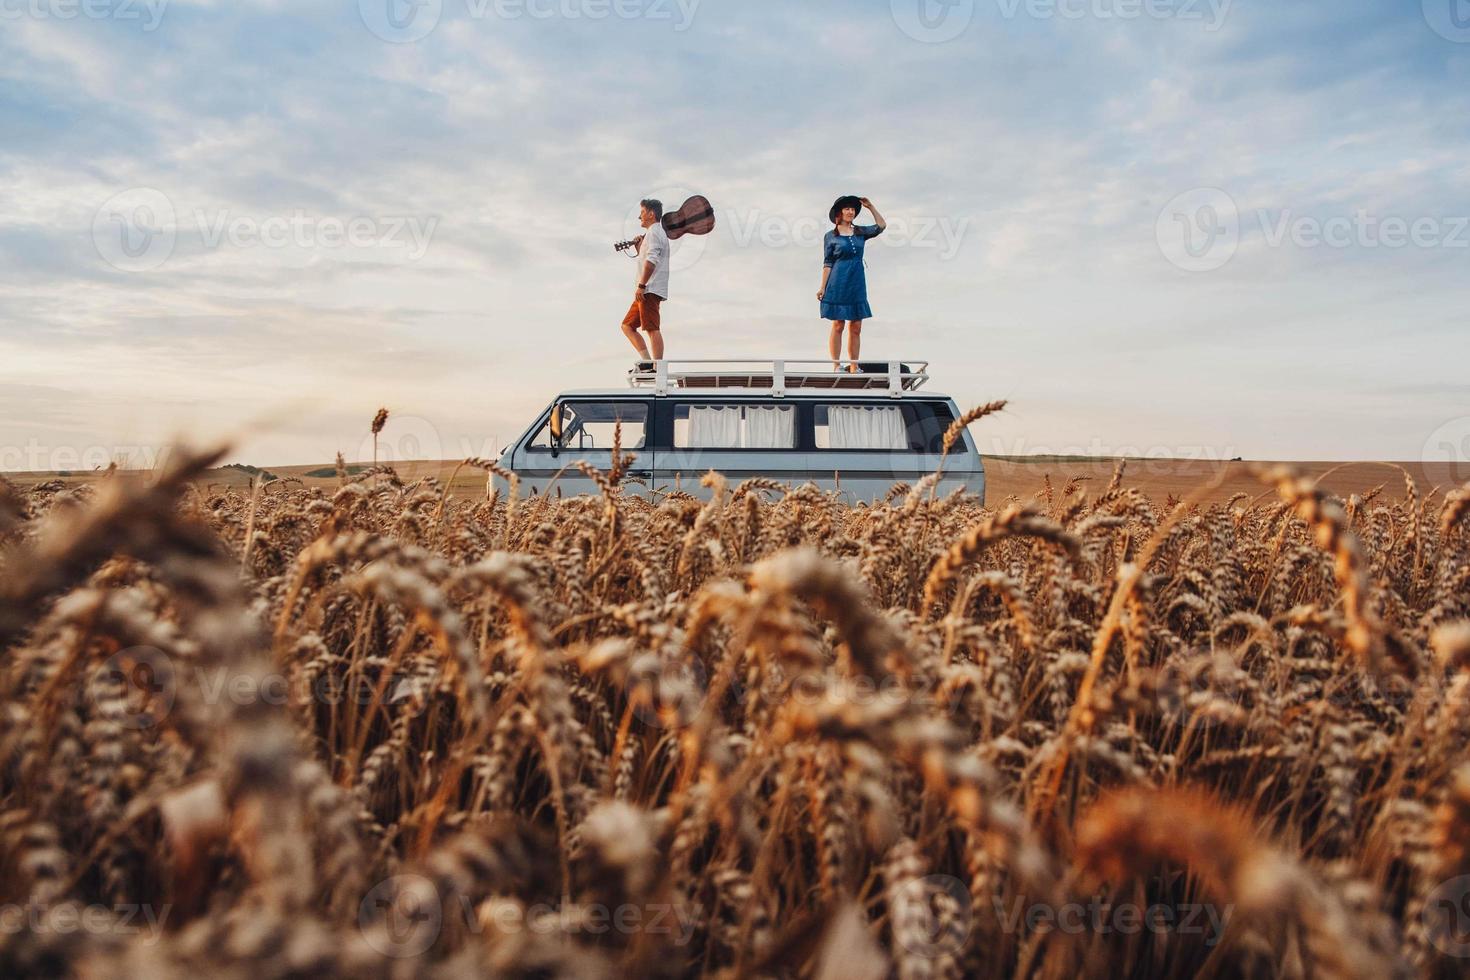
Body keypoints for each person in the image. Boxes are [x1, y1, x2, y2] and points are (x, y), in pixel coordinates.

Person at [818, 195, 887, 372]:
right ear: (839, 212)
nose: (851, 211)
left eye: (853, 209)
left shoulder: (860, 232)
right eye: (847, 208)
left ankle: (854, 366)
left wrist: (870, 206)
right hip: (837, 281)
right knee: (838, 324)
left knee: (856, 326)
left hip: (856, 281)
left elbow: (881, 226)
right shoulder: (830, 236)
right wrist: (822, 287)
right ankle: (836, 365)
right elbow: (827, 263)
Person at [620, 198, 671, 365]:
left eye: (642, 212)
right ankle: (648, 364)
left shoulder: (654, 232)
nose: (639, 216)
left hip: (649, 288)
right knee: (627, 326)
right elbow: (647, 258)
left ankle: (657, 368)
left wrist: (642, 286)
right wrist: (639, 248)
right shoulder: (654, 233)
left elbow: (652, 261)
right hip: (645, 289)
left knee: (652, 328)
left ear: (651, 214)